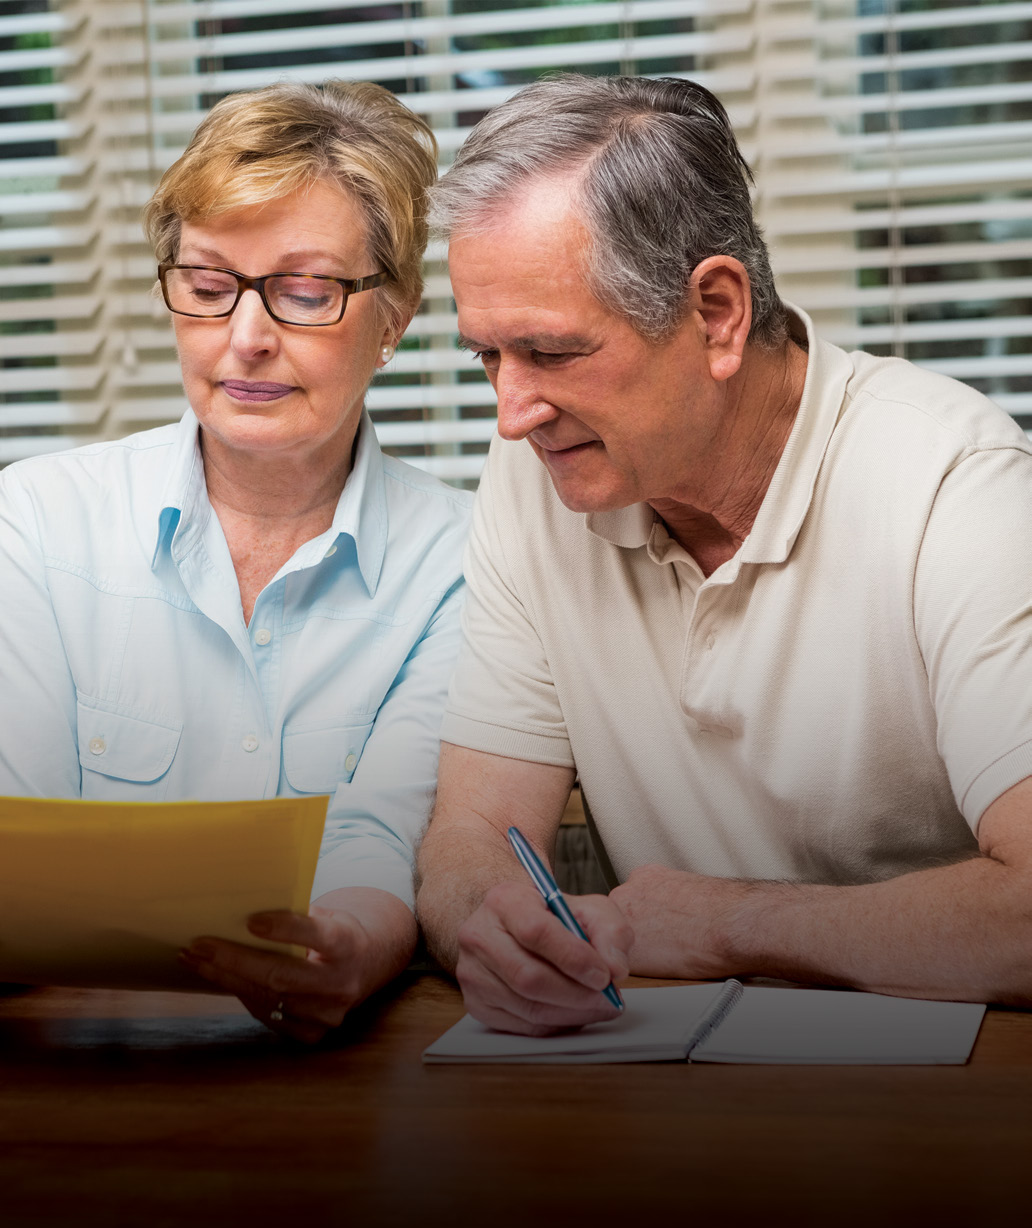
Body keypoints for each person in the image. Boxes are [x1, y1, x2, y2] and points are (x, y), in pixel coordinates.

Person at [414, 74, 1032, 1035]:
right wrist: (489, 931)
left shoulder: (959, 484)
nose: (511, 414)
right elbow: (468, 838)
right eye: (488, 357)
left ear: (716, 313)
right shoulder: (539, 475)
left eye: (552, 352)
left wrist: (726, 924)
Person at [0, 81, 472, 1043]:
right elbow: (2, 853)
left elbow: (381, 838)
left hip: (337, 1072)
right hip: (55, 1066)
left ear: (394, 313)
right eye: (206, 285)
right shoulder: (36, 519)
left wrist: (351, 947)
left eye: (305, 290)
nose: (245, 339)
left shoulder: (459, 556)